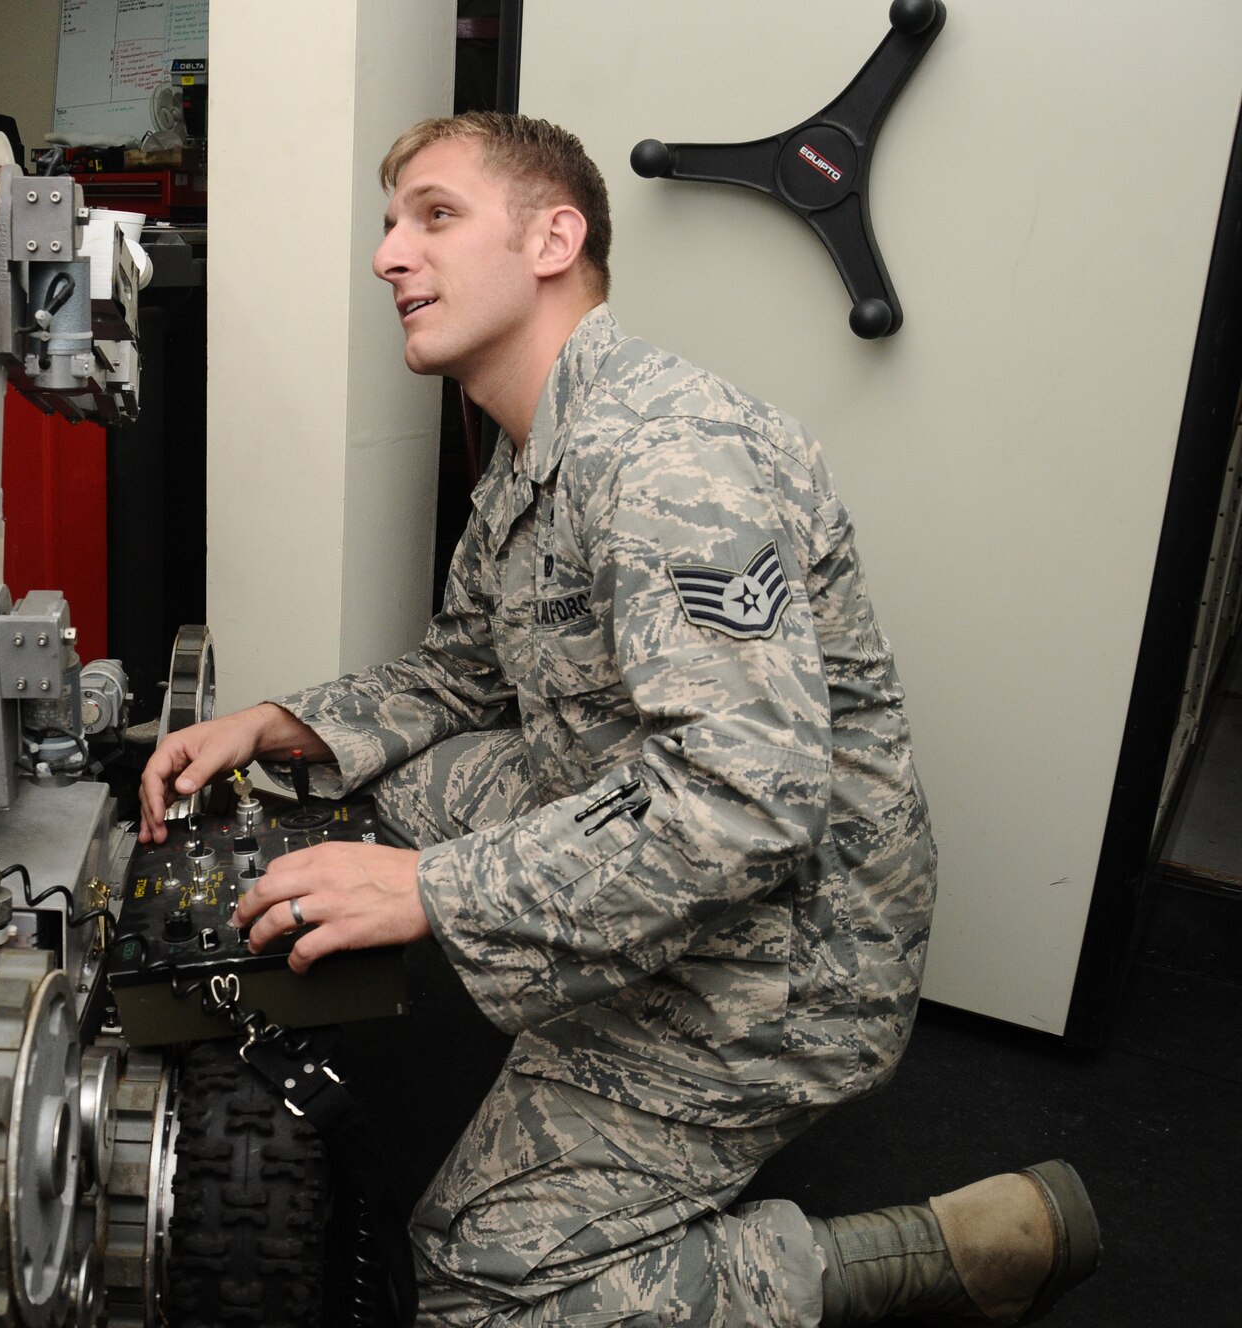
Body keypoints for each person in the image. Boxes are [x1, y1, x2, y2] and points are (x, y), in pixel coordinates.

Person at [139, 112, 1099, 1327]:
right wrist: (277, 724)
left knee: (472, 1288)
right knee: (343, 793)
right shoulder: (538, 445)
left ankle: (929, 1251)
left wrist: (433, 890)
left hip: (782, 958)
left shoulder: (659, 454)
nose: (387, 253)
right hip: (659, 838)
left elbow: (741, 800)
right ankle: (534, 994)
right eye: (389, 224)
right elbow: (459, 676)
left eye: (432, 215)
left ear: (554, 237)